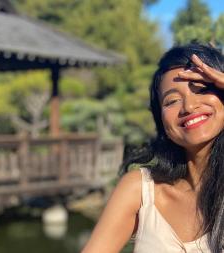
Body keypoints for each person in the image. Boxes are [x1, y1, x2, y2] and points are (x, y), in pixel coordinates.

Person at [81, 43, 224, 253]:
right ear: (161, 120)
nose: (189, 106)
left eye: (202, 89)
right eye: (172, 100)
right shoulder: (140, 190)